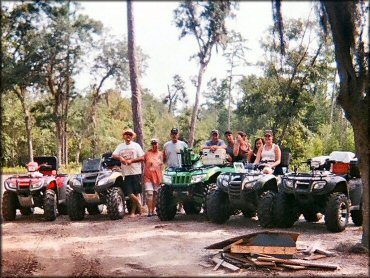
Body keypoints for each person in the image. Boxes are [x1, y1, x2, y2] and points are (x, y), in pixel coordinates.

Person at [112, 128, 145, 218]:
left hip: (136, 172)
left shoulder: (136, 146)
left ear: (132, 136)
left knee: (136, 192)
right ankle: (140, 206)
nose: (128, 136)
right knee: (129, 193)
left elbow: (142, 158)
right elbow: (113, 155)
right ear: (124, 136)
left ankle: (134, 212)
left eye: (130, 134)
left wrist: (132, 161)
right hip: (126, 173)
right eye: (126, 134)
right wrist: (120, 158)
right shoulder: (120, 146)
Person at [143, 138, 164, 217]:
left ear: (158, 144)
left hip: (157, 176)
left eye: (155, 143)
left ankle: (153, 210)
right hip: (148, 176)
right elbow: (143, 159)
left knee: (156, 194)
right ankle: (149, 211)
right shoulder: (147, 153)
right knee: (149, 194)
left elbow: (164, 162)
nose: (154, 145)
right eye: (153, 144)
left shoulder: (161, 154)